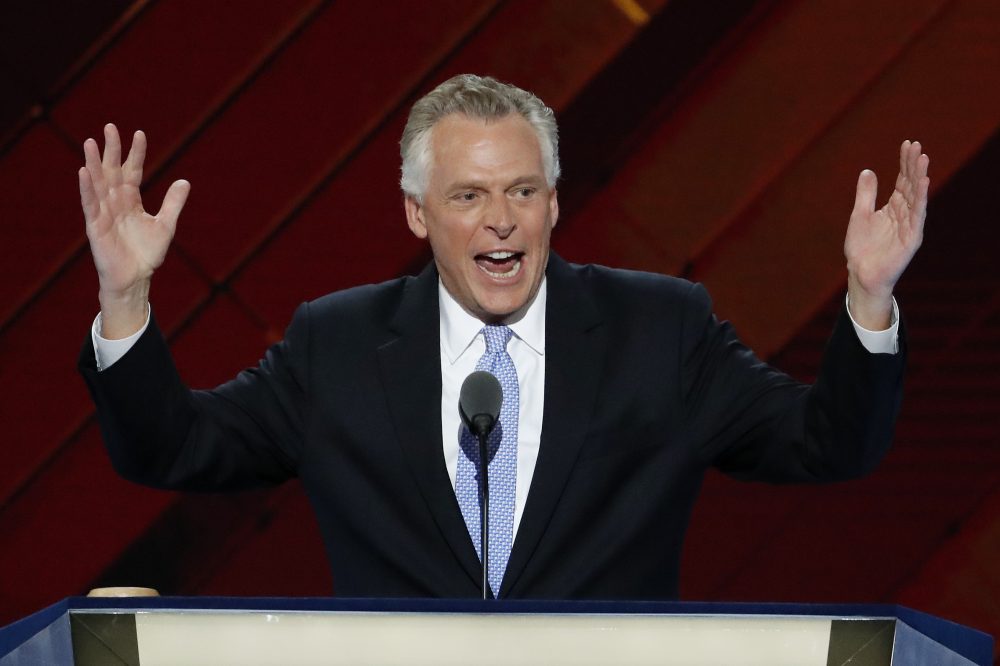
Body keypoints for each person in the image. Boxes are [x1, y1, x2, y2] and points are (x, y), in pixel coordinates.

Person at [78, 74, 928, 600]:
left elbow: (828, 446)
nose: (503, 222)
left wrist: (869, 296)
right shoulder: (335, 345)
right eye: (469, 196)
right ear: (417, 212)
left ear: (555, 203)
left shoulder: (660, 329)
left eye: (524, 191)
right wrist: (124, 295)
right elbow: (175, 449)